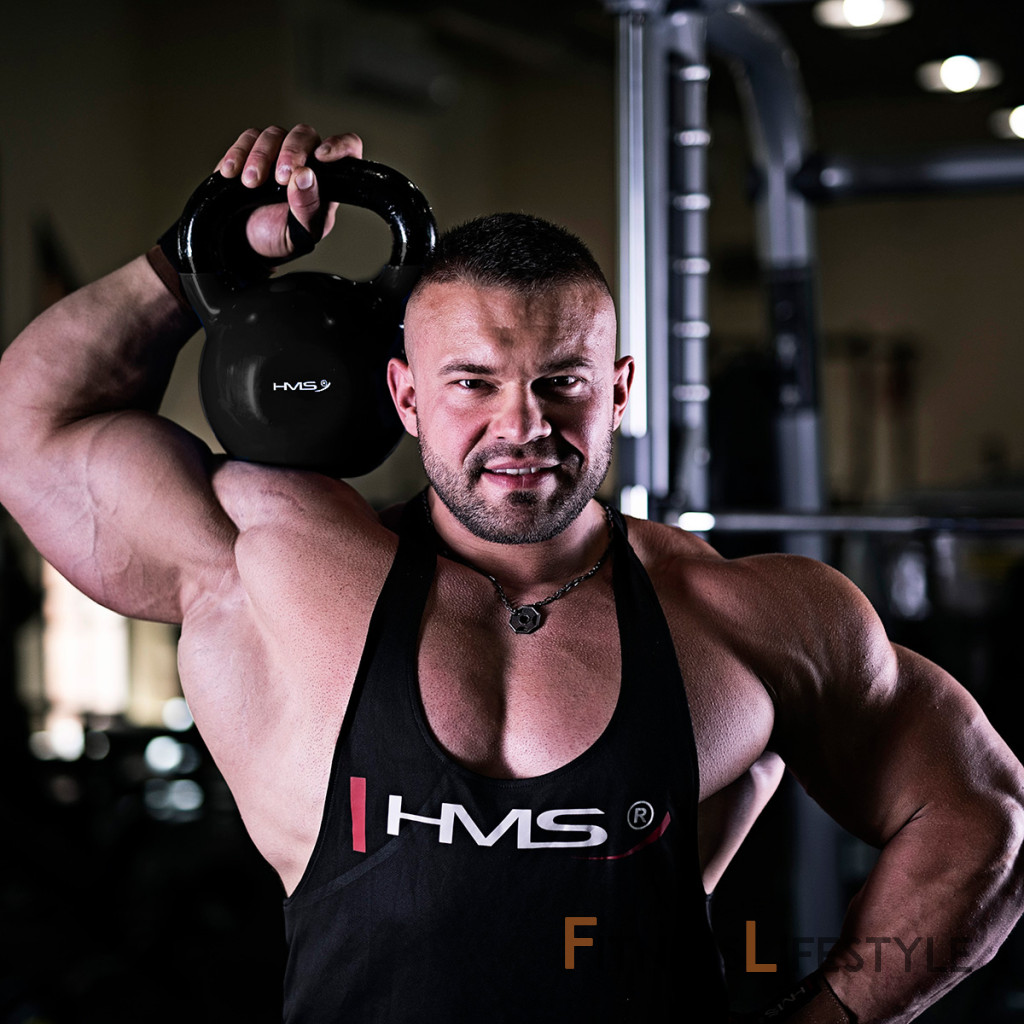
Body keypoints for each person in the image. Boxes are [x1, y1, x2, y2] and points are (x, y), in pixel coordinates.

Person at [0, 124, 1021, 1024]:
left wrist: (828, 1016)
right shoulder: (270, 568)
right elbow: (27, 431)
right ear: (405, 395)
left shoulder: (746, 616)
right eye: (473, 383)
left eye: (561, 381)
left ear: (616, 391)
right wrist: (193, 262)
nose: (521, 425)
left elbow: (984, 818)